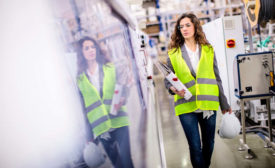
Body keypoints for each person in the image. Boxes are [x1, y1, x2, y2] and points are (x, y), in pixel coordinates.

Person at [164, 13, 232, 168]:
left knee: (209, 142)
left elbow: (217, 78)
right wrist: (173, 88)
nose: (185, 29)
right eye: (181, 27)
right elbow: (167, 79)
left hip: (208, 103)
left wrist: (224, 104)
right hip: (186, 105)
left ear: (195, 26)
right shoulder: (173, 53)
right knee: (195, 146)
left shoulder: (208, 50)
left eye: (188, 25)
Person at [76, 36, 134, 168]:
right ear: (82, 53)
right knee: (117, 164)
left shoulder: (110, 68)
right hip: (102, 128)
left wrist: (123, 97)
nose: (91, 50)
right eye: (87, 48)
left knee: (126, 160)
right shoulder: (80, 79)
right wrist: (89, 135)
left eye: (93, 47)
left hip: (119, 121)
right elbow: (84, 108)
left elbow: (123, 88)